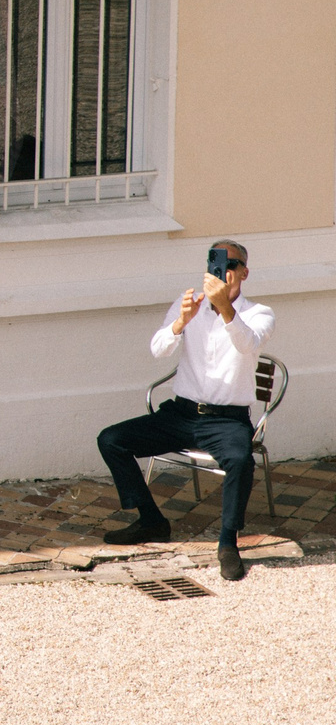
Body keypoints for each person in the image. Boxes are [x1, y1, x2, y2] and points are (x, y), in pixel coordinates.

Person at [94, 239, 275, 580]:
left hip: (227, 420)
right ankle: (151, 520)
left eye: (231, 265)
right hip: (181, 414)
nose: (222, 271)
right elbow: (157, 349)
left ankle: (228, 542)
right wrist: (180, 322)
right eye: (215, 263)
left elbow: (247, 344)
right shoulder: (189, 302)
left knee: (241, 461)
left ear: (244, 273)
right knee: (111, 440)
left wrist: (225, 308)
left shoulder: (258, 313)